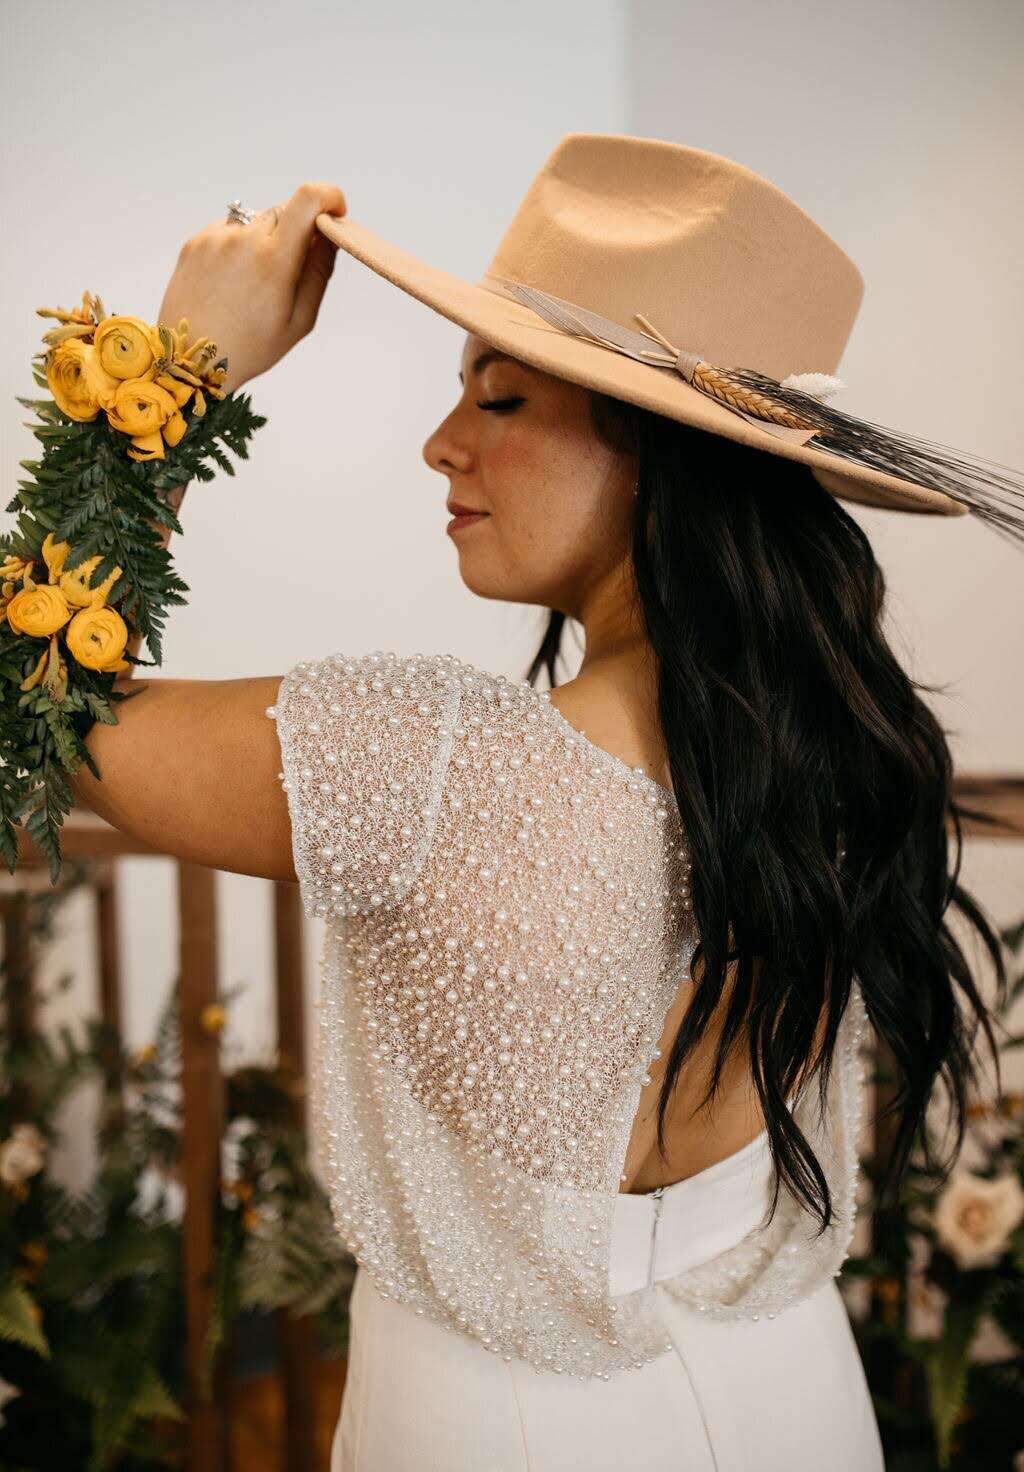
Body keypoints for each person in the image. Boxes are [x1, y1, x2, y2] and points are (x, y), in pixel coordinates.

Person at [69, 139, 1012, 1470]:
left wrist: (179, 376)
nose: (439, 443)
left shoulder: (426, 762)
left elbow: (28, 710)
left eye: (500, 401)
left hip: (491, 1428)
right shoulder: (848, 764)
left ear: (666, 455)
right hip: (795, 1398)